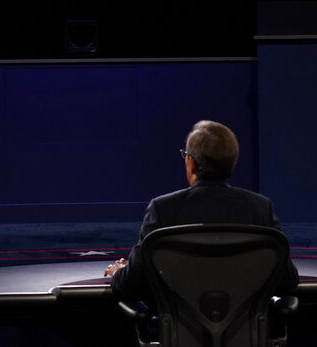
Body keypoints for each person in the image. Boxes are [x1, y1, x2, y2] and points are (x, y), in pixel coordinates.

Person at [104, 120, 298, 303]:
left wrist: (119, 272)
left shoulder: (163, 209)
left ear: (191, 162)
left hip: (178, 334)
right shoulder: (260, 208)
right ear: (232, 162)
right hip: (246, 333)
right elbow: (288, 280)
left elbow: (129, 285)